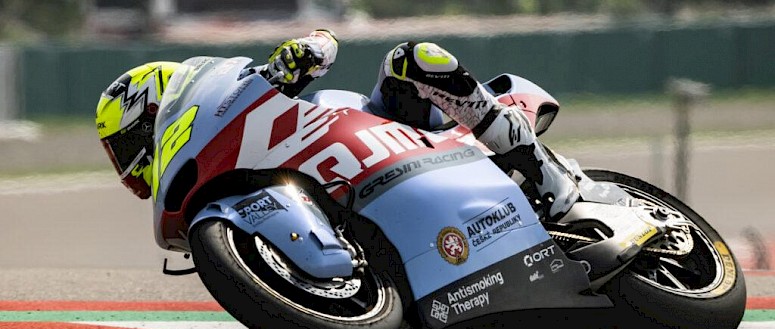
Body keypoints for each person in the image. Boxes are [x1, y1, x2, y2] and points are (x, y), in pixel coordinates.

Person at [96, 29, 578, 218]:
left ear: (155, 111)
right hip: (352, 187)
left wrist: (302, 53)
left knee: (411, 58)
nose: (128, 166)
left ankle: (543, 172)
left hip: (386, 134)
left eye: (126, 146)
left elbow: (324, 42)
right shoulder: (211, 193)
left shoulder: (242, 93)